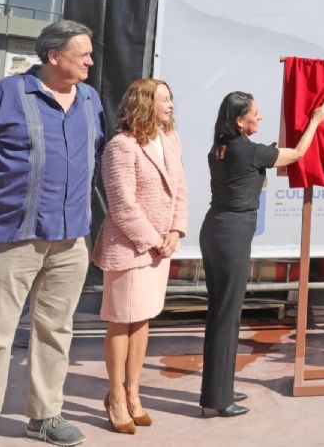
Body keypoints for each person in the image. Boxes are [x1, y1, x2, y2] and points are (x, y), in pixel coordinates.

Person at [0, 20, 104, 447]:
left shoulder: (90, 99)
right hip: (8, 238)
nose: (91, 61)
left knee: (56, 330)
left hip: (70, 239)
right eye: (83, 54)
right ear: (54, 57)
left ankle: (46, 417)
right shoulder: (3, 96)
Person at [199, 92, 324, 416]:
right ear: (240, 120)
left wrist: (264, 151)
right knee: (227, 316)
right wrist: (315, 121)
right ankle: (219, 399)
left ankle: (219, 390)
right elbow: (298, 153)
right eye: (255, 113)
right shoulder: (247, 151)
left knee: (221, 313)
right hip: (233, 235)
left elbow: (257, 159)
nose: (260, 117)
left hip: (214, 230)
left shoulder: (223, 147)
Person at [91, 79, 188, 434]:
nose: (171, 104)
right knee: (122, 320)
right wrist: (152, 240)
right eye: (164, 98)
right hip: (130, 248)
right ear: (143, 103)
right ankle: (115, 396)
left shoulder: (171, 140)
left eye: (171, 97)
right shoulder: (121, 146)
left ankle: (134, 394)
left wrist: (175, 231)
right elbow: (121, 204)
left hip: (159, 249)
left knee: (143, 319)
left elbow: (180, 190)